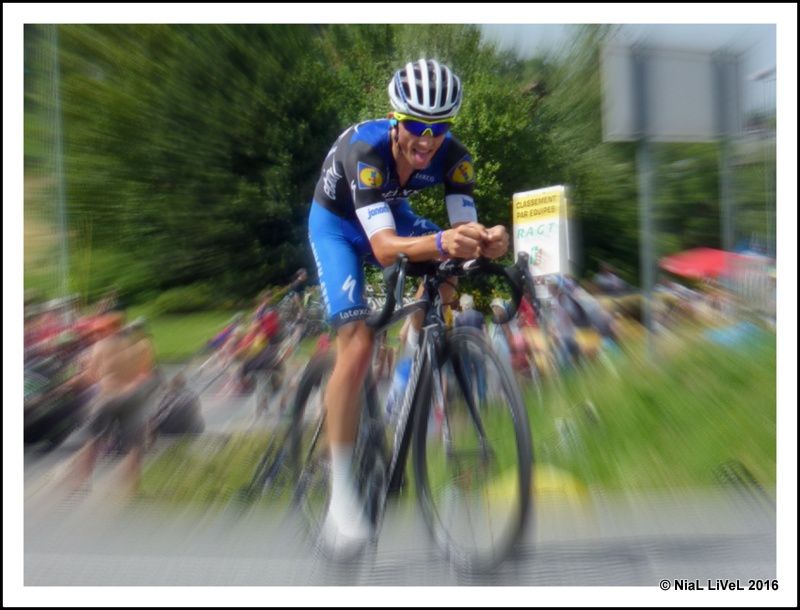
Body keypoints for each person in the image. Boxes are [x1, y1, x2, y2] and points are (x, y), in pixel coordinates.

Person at [307, 58, 509, 556]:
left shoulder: (456, 158)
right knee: (355, 348)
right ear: (397, 119)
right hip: (339, 229)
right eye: (416, 126)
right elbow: (383, 249)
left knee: (448, 286)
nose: (426, 139)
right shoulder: (367, 150)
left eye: (438, 128)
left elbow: (462, 233)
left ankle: (419, 356)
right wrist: (445, 240)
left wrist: (489, 241)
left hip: (392, 217)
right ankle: (341, 494)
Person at [63, 316, 160, 499]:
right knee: (135, 445)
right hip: (133, 398)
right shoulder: (143, 345)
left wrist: (76, 380)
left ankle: (81, 484)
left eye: (99, 331)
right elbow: (146, 373)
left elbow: (91, 377)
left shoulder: (99, 347)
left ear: (110, 330)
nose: (96, 335)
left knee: (93, 440)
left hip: (107, 397)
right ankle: (132, 487)